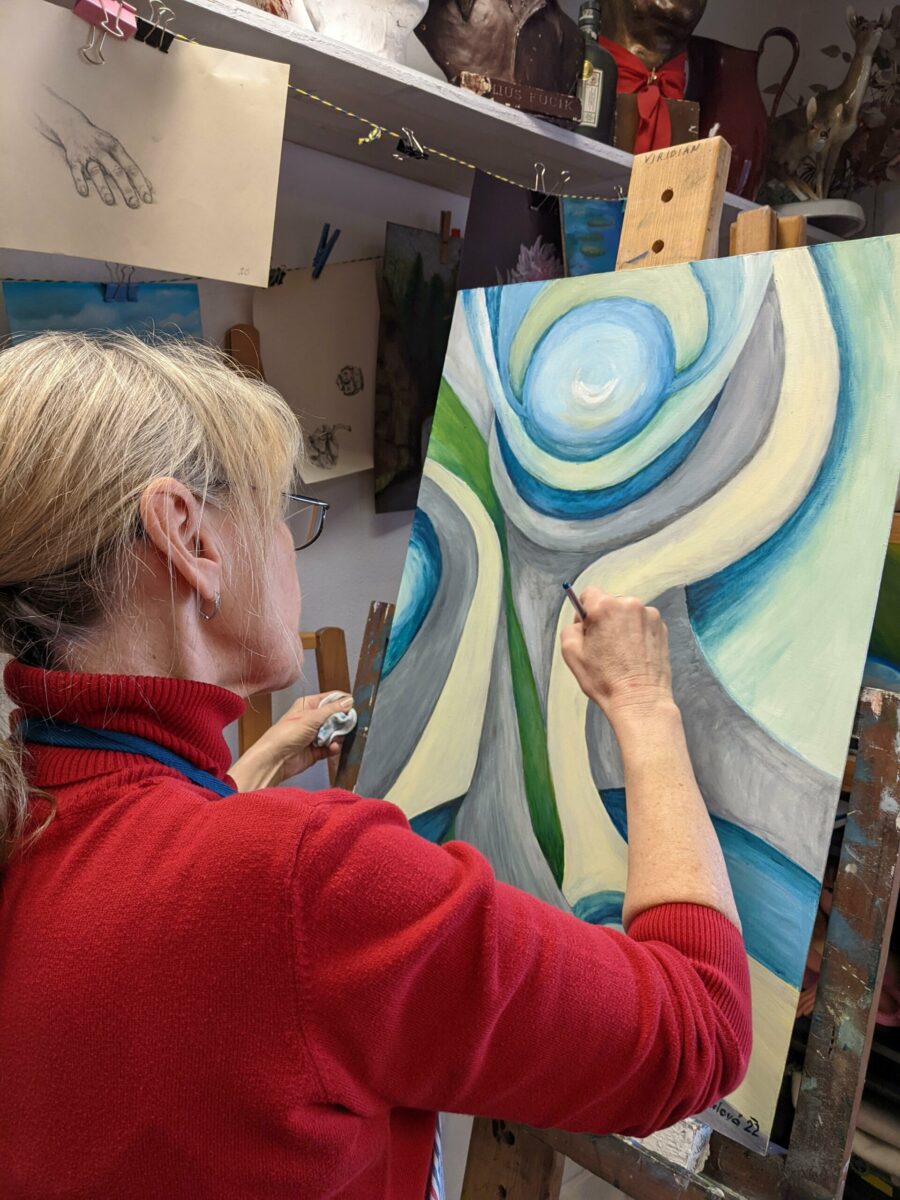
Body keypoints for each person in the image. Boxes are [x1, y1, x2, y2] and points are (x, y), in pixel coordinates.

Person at [0, 332, 750, 1200]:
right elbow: (696, 1030)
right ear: (188, 537)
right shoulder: (304, 880)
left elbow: (159, 902)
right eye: (281, 515)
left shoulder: (35, 814)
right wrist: (645, 703)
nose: (291, 548)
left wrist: (258, 764)